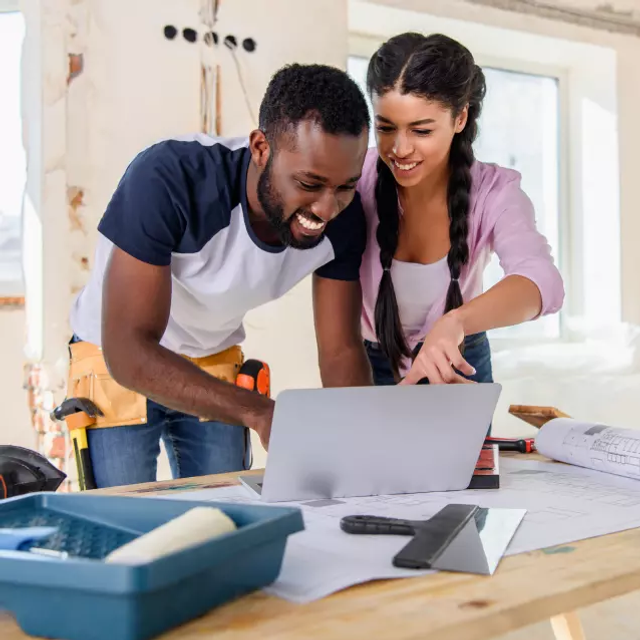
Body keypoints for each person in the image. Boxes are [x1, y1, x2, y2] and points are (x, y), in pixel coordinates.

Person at [67, 63, 373, 488]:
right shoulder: (169, 178)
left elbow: (341, 350)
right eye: (309, 183)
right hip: (114, 356)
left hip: (212, 357)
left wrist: (364, 448)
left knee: (224, 520)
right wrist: (260, 412)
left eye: (345, 186)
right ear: (261, 148)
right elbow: (130, 350)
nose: (326, 208)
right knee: (122, 521)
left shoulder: (345, 217)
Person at [357, 33, 565, 386]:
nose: (399, 148)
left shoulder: (495, 192)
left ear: (460, 118)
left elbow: (543, 284)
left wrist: (457, 322)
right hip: (369, 359)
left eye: (421, 130)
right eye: (385, 128)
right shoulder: (356, 176)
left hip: (458, 358)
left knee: (475, 446)